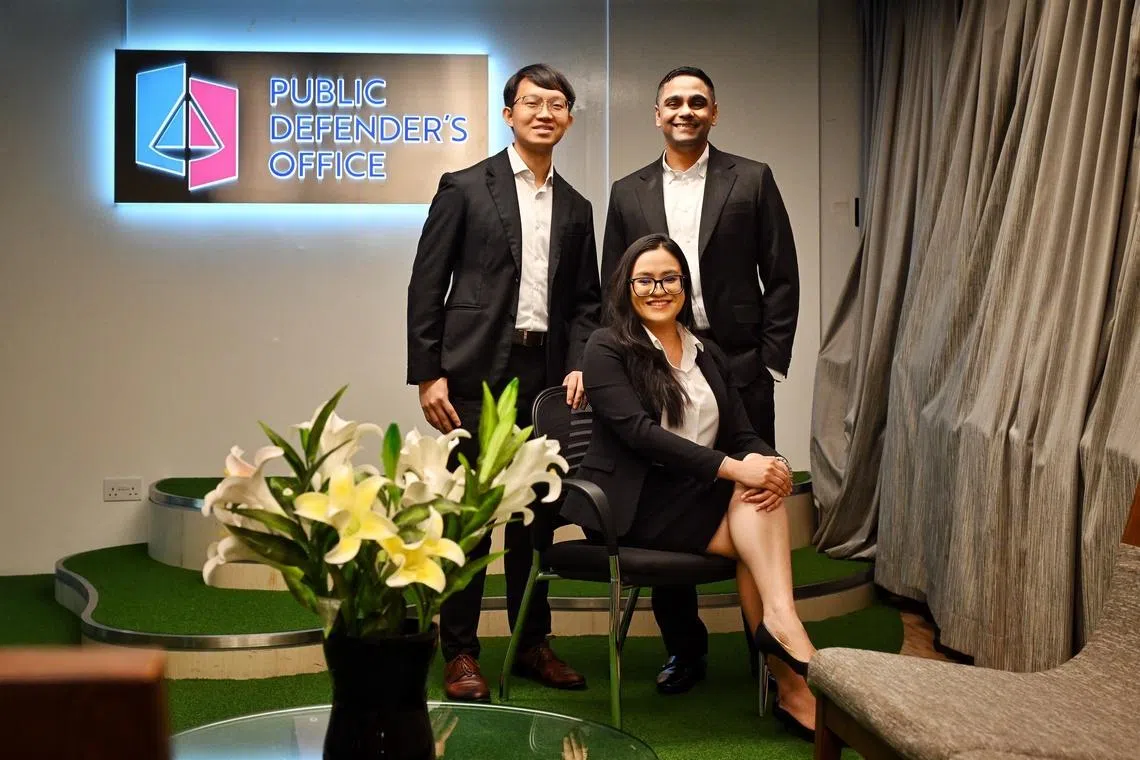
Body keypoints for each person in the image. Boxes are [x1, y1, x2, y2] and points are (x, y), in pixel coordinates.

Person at [562, 233, 817, 737]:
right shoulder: (606, 346)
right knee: (751, 507)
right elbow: (641, 435)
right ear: (627, 286)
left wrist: (773, 464)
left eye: (669, 279)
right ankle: (790, 667)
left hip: (696, 494)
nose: (658, 290)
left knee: (758, 502)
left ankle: (785, 650)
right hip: (633, 503)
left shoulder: (708, 353)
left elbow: (742, 433)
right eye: (645, 280)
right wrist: (736, 469)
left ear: (684, 285)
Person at [600, 66, 800, 694]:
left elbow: (782, 274)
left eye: (696, 102)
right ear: (657, 114)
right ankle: (685, 650)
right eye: (673, 103)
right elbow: (613, 283)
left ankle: (768, 661)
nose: (684, 111)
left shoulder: (752, 178)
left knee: (756, 494)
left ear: (714, 111)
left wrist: (768, 360)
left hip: (735, 360)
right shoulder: (627, 192)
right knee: (675, 486)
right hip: (653, 359)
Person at [406, 63, 601, 701]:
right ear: (508, 113)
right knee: (470, 517)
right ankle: (460, 651)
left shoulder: (577, 207)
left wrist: (579, 361)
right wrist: (428, 373)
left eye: (557, 104)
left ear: (568, 118)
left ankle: (531, 643)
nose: (545, 113)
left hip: (546, 377)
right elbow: (427, 283)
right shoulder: (464, 187)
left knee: (536, 518)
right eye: (532, 102)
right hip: (473, 374)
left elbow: (587, 301)